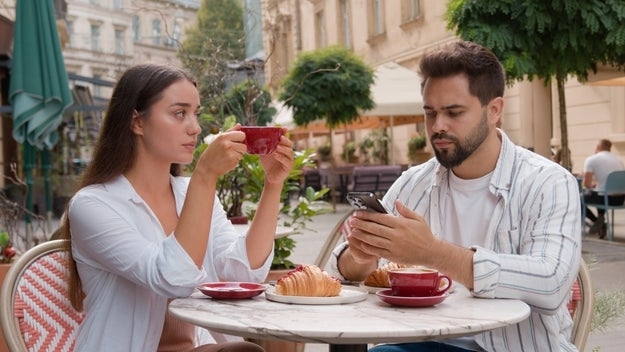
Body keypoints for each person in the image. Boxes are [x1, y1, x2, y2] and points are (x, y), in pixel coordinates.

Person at [329, 41, 581, 351]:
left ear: (494, 111)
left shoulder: (548, 183)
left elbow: (552, 283)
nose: (438, 126)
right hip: (420, 342)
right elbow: (342, 271)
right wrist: (360, 258)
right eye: (430, 113)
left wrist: (431, 252)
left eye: (453, 112)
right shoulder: (413, 183)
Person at [59, 63, 294, 351]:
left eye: (195, 114)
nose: (195, 128)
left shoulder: (187, 193)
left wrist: (273, 185)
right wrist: (205, 175)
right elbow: (172, 278)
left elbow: (241, 273)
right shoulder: (93, 205)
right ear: (137, 122)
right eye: (179, 113)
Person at [581, 138, 625, 238]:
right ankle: (600, 219)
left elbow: (586, 185)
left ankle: (597, 222)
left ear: (598, 147)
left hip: (604, 199)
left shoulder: (591, 159)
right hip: (620, 200)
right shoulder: (619, 161)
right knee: (600, 191)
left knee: (579, 199)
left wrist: (590, 184)